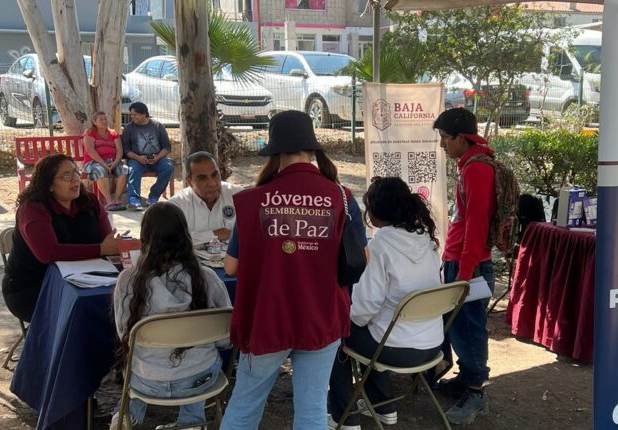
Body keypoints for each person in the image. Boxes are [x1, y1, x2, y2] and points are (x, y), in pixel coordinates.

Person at [220, 110, 355, 430]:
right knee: (312, 411)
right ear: (311, 148)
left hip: (267, 318)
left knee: (244, 406)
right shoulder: (341, 196)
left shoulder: (253, 200)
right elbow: (360, 257)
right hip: (322, 317)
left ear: (275, 150)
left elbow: (231, 266)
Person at [328, 177, 443, 430]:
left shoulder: (380, 245)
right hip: (432, 345)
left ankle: (343, 417)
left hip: (396, 350)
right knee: (374, 329)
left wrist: (344, 316)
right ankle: (383, 406)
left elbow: (364, 309)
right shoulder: (426, 239)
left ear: (375, 212)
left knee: (336, 333)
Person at [111, 202, 231, 430]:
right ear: (185, 237)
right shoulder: (207, 278)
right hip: (199, 379)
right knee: (200, 357)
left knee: (135, 361)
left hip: (147, 381)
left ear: (144, 239)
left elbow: (125, 334)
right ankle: (191, 423)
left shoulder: (128, 281)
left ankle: (125, 414)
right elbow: (227, 338)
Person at [432, 108, 496, 425]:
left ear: (462, 138)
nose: (442, 144)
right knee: (459, 326)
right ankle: (465, 379)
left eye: (446, 138)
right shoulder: (470, 164)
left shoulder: (477, 170)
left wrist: (465, 273)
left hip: (470, 266)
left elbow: (477, 225)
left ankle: (475, 392)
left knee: (470, 329)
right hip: (462, 262)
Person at [2, 154, 119, 323]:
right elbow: (48, 253)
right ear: (49, 184)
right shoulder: (33, 209)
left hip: (87, 278)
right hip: (33, 287)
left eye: (76, 172)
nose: (75, 179)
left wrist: (112, 247)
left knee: (118, 300)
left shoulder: (90, 201)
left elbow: (108, 241)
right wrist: (101, 249)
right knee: (84, 313)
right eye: (66, 176)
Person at [168, 151, 241, 245]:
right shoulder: (177, 206)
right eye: (202, 178)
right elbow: (169, 240)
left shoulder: (237, 196)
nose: (212, 183)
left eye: (215, 175)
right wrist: (213, 235)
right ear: (189, 182)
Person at [121, 102, 174, 211]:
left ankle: (153, 196)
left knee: (168, 168)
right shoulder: (129, 128)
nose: (132, 117)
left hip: (157, 158)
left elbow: (167, 147)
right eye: (131, 114)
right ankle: (133, 199)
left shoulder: (157, 126)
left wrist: (157, 157)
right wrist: (138, 158)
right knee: (133, 169)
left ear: (144, 114)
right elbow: (126, 149)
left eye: (135, 114)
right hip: (136, 159)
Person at [83, 111, 129, 211]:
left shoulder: (113, 133)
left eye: (105, 119)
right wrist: (103, 163)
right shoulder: (90, 133)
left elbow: (119, 150)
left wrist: (115, 163)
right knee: (100, 170)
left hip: (112, 162)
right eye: (101, 120)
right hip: (93, 162)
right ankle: (109, 202)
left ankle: (117, 200)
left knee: (124, 170)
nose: (104, 121)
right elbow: (90, 150)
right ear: (94, 122)